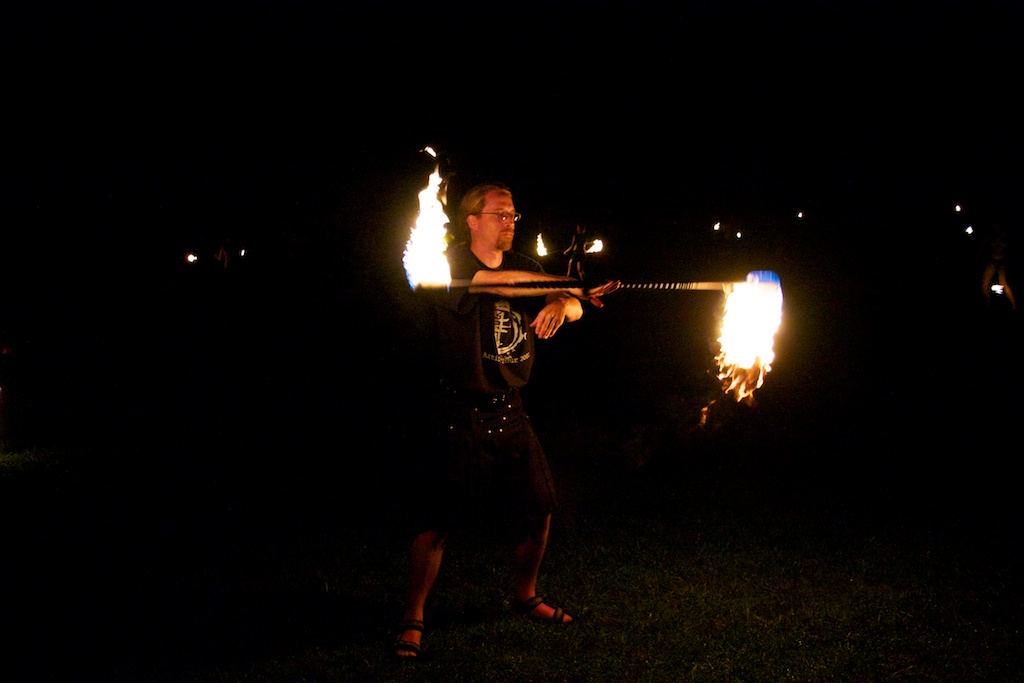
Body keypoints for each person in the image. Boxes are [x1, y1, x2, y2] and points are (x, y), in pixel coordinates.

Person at [394, 182, 619, 659]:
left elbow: (572, 305)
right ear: (472, 221)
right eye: (499, 214)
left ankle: (525, 595)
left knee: (539, 508)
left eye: (514, 214)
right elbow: (497, 285)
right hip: (458, 412)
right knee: (436, 522)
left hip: (510, 409)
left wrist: (563, 302)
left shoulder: (528, 267)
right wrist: (563, 286)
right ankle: (413, 615)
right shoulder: (450, 264)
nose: (510, 222)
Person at [981, 222, 1016, 310]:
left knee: (1004, 284)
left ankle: (1014, 306)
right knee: (984, 286)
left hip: (1001, 262)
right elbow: (983, 246)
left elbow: (1007, 246)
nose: (995, 226)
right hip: (992, 260)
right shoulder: (990, 235)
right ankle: (987, 304)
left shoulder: (1004, 236)